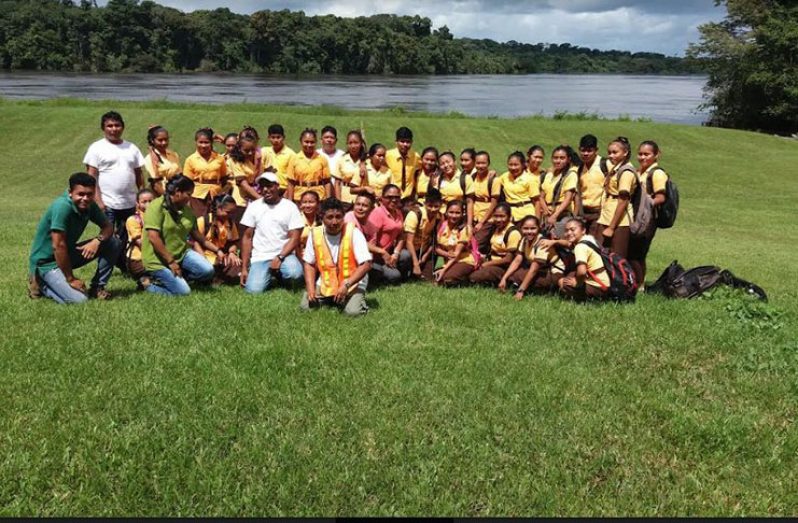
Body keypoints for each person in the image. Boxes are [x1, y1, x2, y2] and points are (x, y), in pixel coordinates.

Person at [28, 172, 121, 304]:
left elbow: (108, 226)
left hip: (67, 254)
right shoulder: (62, 207)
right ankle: (41, 284)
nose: (85, 198)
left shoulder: (90, 205)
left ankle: (97, 288)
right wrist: (71, 279)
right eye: (80, 194)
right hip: (46, 262)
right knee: (80, 300)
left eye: (90, 194)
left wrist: (97, 241)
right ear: (70, 192)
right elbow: (58, 245)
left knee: (113, 243)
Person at [83, 111, 145, 271]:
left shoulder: (132, 148)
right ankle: (103, 274)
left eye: (117, 125)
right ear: (103, 128)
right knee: (108, 239)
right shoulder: (97, 148)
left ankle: (126, 266)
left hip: (130, 203)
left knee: (128, 237)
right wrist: (98, 201)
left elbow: (139, 175)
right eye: (109, 126)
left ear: (122, 127)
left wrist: (142, 197)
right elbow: (91, 177)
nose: (113, 129)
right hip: (107, 203)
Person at [141, 175, 222, 297]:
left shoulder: (187, 211)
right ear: (178, 192)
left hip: (181, 254)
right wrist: (171, 261)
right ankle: (148, 285)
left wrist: (218, 250)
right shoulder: (156, 207)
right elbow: (153, 238)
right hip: (157, 260)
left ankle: (177, 280)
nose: (190, 198)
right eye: (188, 194)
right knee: (184, 292)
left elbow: (198, 236)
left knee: (208, 270)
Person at [301, 198, 373, 317]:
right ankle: (334, 299)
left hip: (353, 283)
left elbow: (366, 264)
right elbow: (309, 263)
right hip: (327, 282)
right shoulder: (315, 234)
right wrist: (311, 288)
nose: (334, 222)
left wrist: (346, 285)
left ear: (343, 217)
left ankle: (356, 302)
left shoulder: (353, 232)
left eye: (338, 217)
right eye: (330, 217)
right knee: (305, 307)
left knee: (352, 312)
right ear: (322, 217)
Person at [239, 171, 305, 294]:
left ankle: (279, 275)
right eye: (262, 186)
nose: (265, 190)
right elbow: (247, 237)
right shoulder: (254, 207)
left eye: (269, 186)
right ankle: (268, 274)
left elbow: (295, 238)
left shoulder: (290, 207)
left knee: (295, 275)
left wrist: (280, 257)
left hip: (285, 255)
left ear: (277, 186)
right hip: (261, 256)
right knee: (253, 290)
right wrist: (244, 268)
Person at [628, 140, 669, 286]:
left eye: (647, 154)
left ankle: (640, 285)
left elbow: (660, 197)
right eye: (640, 154)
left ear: (656, 155)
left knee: (638, 254)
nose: (643, 157)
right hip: (634, 217)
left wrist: (646, 204)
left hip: (648, 219)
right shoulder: (639, 172)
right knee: (632, 252)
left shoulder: (656, 173)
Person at [499, 215, 567, 300]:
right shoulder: (524, 240)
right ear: (521, 228)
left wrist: (521, 290)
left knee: (521, 276)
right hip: (541, 270)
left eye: (533, 228)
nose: (529, 232)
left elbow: (534, 269)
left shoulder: (542, 243)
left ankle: (548, 289)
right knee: (514, 275)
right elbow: (517, 260)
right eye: (526, 228)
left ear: (538, 228)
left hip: (553, 272)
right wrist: (504, 278)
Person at [597, 137, 637, 258]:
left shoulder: (626, 172)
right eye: (609, 152)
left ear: (625, 153)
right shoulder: (616, 167)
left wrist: (611, 227)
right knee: (600, 253)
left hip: (619, 221)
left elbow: (623, 201)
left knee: (617, 257)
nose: (611, 155)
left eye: (615, 152)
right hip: (606, 215)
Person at [469, 203, 522, 286]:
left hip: (504, 266)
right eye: (496, 216)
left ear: (509, 216)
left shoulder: (513, 232)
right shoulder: (496, 228)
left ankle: (505, 279)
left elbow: (508, 259)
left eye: (502, 216)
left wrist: (487, 264)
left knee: (475, 276)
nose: (498, 219)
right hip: (491, 260)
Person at [366, 184, 410, 284]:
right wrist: (382, 253)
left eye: (397, 197)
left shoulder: (398, 213)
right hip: (375, 257)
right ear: (382, 198)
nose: (394, 200)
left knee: (405, 255)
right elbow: (366, 243)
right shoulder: (377, 213)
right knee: (394, 277)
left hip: (388, 253)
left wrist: (396, 253)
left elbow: (401, 236)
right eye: (389, 197)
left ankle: (398, 275)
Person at [194, 194, 242, 284]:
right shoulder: (203, 221)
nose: (230, 215)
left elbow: (233, 242)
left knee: (237, 264)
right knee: (206, 269)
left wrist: (232, 253)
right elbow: (196, 243)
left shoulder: (230, 223)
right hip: (206, 256)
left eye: (232, 212)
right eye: (228, 212)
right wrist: (202, 259)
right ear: (219, 208)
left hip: (222, 257)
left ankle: (217, 276)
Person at [559, 218, 610, 301]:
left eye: (573, 230)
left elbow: (582, 272)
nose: (569, 233)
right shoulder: (589, 238)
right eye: (566, 230)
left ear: (583, 230)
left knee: (563, 282)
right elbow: (569, 244)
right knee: (571, 275)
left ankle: (583, 300)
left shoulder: (580, 247)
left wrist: (577, 283)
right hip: (606, 282)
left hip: (599, 287)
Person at [183, 127, 227, 218]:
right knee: (200, 221)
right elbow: (187, 182)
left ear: (211, 143)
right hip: (198, 195)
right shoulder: (190, 160)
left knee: (216, 220)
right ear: (196, 142)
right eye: (200, 142)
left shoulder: (219, 158)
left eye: (206, 142)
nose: (203, 145)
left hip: (216, 194)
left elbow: (224, 177)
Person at [402, 187, 443, 281]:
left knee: (428, 278)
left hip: (424, 250)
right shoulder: (415, 214)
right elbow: (408, 242)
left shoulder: (440, 217)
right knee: (407, 274)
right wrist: (416, 263)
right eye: (430, 206)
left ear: (441, 205)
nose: (433, 209)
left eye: (436, 206)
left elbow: (434, 240)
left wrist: (425, 256)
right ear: (425, 204)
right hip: (409, 250)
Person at [540, 145, 579, 238]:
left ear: (568, 159)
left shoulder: (570, 175)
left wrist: (555, 216)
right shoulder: (549, 175)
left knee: (558, 241)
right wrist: (545, 210)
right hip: (548, 215)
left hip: (562, 215)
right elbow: (541, 196)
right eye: (555, 158)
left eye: (562, 158)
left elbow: (568, 199)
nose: (558, 161)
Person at [434, 200, 477, 286]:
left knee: (447, 279)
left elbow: (456, 254)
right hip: (449, 260)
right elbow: (436, 248)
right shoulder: (442, 226)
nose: (454, 216)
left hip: (464, 260)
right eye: (451, 212)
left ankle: (469, 277)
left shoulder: (465, 229)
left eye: (457, 213)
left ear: (462, 214)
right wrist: (446, 254)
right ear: (446, 213)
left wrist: (443, 270)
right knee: (435, 278)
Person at [285, 128, 332, 204]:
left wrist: (328, 200)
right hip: (299, 196)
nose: (309, 145)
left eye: (312, 142)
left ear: (316, 142)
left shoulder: (322, 159)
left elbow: (327, 181)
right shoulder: (294, 159)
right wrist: (290, 201)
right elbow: (290, 182)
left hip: (318, 196)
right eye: (306, 142)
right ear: (301, 142)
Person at [430, 151, 475, 226]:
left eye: (448, 162)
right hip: (441, 217)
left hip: (458, 218)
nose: (446, 165)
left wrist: (469, 224)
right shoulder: (438, 179)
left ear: (455, 162)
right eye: (442, 164)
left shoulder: (465, 178)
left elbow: (470, 202)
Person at [227, 131, 262, 224]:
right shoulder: (234, 161)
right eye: (246, 150)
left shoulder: (258, 158)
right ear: (239, 148)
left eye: (252, 150)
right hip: (241, 201)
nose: (250, 153)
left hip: (256, 198)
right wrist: (260, 199)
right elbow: (244, 184)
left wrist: (258, 163)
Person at [576, 134, 607, 236]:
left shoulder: (604, 164)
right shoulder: (580, 168)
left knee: (596, 244)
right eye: (583, 150)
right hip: (584, 213)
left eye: (589, 151)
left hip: (599, 213)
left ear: (596, 150)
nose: (585, 153)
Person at [125, 188, 155, 289]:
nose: (148, 204)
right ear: (137, 203)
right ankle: (145, 279)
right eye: (144, 202)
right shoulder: (133, 220)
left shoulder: (159, 217)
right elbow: (141, 243)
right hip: (138, 259)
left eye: (151, 201)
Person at [471, 150, 502, 249]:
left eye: (483, 163)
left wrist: (481, 222)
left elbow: (494, 203)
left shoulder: (494, 180)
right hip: (474, 217)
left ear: (488, 163)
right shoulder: (472, 177)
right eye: (478, 163)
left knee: (476, 245)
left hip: (487, 219)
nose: (480, 166)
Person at [499, 151, 540, 224]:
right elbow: (495, 183)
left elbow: (537, 201)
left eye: (516, 165)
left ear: (523, 165)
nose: (513, 168)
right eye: (510, 165)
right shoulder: (505, 176)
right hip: (510, 215)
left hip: (525, 214)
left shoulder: (530, 179)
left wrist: (537, 221)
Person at [385, 126, 420, 208]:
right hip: (392, 198)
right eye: (402, 141)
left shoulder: (415, 157)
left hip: (408, 200)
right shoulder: (388, 155)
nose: (405, 144)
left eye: (408, 142)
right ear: (396, 142)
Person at [333, 129, 368, 207]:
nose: (353, 146)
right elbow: (337, 183)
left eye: (356, 143)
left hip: (362, 198)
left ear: (361, 143)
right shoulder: (342, 160)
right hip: (345, 198)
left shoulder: (367, 160)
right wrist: (338, 201)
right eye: (350, 143)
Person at [144, 125, 181, 196]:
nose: (164, 143)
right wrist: (167, 199)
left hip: (177, 194)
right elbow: (156, 184)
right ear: (152, 140)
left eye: (166, 139)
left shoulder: (173, 154)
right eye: (160, 140)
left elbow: (180, 174)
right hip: (163, 195)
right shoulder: (150, 159)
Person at [263, 124, 295, 194]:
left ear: (283, 137)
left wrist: (287, 193)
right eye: (273, 137)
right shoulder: (264, 151)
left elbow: (292, 177)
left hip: (283, 190)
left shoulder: (291, 154)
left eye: (278, 137)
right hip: (267, 189)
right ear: (268, 138)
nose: (276, 140)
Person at [296, 191, 321, 260]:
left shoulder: (322, 220)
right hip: (301, 255)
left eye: (311, 202)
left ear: (318, 204)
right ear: (300, 204)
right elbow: (295, 245)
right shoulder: (296, 220)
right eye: (304, 202)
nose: (307, 205)